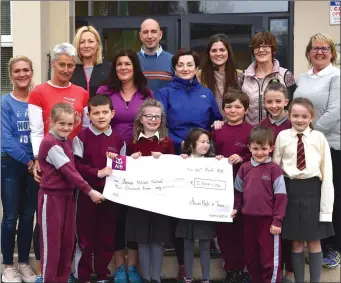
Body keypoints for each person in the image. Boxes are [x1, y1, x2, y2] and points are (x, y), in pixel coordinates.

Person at [28, 43, 89, 283]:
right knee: (47, 229)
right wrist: (36, 161)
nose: (65, 69)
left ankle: (62, 276)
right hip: (49, 165)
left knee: (66, 231)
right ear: (53, 64)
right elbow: (36, 130)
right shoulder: (39, 91)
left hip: (71, 167)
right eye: (61, 64)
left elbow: (82, 130)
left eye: (70, 65)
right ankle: (46, 274)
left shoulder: (82, 92)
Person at [97, 49, 153, 283]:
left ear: (135, 67)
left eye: (127, 64)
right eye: (119, 64)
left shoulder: (146, 93)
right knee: (116, 216)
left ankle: (133, 266)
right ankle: (119, 266)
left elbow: (154, 122)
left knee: (135, 214)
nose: (123, 68)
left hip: (139, 160)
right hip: (112, 159)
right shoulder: (104, 91)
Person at [37, 103, 104, 283]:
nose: (66, 128)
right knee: (51, 247)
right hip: (51, 198)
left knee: (67, 246)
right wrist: (89, 191)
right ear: (52, 122)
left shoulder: (67, 141)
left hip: (68, 197)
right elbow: (69, 170)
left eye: (69, 124)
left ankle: (62, 279)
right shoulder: (50, 143)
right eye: (61, 124)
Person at [273, 98, 335, 283]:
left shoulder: (319, 138)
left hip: (313, 191)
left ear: (311, 117)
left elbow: (327, 171)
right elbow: (276, 166)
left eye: (304, 116)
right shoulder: (283, 137)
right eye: (295, 116)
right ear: (289, 115)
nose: (299, 120)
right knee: (296, 241)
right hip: (290, 190)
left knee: (314, 241)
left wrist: (326, 209)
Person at [293, 33, 340, 268]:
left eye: (324, 48)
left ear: (332, 52)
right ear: (308, 52)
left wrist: (312, 136)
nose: (319, 52)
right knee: (314, 198)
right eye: (315, 48)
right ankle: (316, 243)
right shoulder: (303, 77)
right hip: (306, 147)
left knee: (333, 197)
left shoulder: (336, 75)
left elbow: (334, 112)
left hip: (331, 146)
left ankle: (335, 248)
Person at [72, 95, 126, 283]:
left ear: (112, 113)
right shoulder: (81, 137)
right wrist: (97, 172)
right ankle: (84, 275)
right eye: (96, 113)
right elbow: (75, 167)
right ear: (88, 115)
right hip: (86, 194)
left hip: (110, 197)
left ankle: (102, 274)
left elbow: (123, 169)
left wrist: (116, 163)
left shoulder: (119, 140)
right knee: (85, 238)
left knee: (106, 236)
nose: (101, 116)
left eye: (105, 112)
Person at [125, 98, 175, 283]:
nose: (153, 120)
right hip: (139, 200)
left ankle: (156, 278)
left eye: (157, 117)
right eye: (149, 116)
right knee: (142, 239)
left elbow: (174, 168)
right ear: (141, 119)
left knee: (157, 239)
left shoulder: (166, 143)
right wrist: (133, 158)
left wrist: (165, 158)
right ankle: (146, 277)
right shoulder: (132, 144)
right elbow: (125, 169)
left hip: (159, 199)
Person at [233, 126, 287, 283]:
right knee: (251, 257)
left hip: (268, 222)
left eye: (264, 148)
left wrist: (277, 220)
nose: (259, 152)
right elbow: (238, 192)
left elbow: (281, 197)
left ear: (271, 148)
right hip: (248, 220)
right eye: (255, 148)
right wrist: (236, 208)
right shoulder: (244, 168)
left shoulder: (275, 170)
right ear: (249, 148)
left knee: (269, 259)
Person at [1, 56, 38, 283]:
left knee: (28, 216)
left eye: (26, 70)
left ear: (32, 72)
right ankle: (8, 266)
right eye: (17, 71)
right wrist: (28, 161)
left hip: (35, 166)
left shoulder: (37, 99)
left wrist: (37, 161)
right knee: (10, 216)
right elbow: (5, 139)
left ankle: (23, 263)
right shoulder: (5, 103)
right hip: (12, 164)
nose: (22, 74)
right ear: (11, 75)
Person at [211, 89, 252, 283]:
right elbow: (208, 154)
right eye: (228, 106)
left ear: (245, 109)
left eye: (238, 107)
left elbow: (259, 155)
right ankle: (230, 268)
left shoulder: (252, 130)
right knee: (225, 230)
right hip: (222, 189)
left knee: (244, 229)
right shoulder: (217, 130)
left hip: (245, 188)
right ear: (223, 109)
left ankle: (244, 268)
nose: (233, 110)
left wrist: (243, 158)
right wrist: (216, 158)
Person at [156, 48, 222, 154]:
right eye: (180, 65)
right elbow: (159, 125)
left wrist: (218, 123)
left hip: (202, 153)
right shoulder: (164, 93)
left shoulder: (207, 93)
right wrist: (180, 143)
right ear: (174, 69)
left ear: (196, 68)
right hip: (173, 151)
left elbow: (216, 122)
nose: (185, 69)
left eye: (189, 65)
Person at [259, 81, 293, 283]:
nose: (274, 105)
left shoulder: (293, 122)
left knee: (287, 228)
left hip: (290, 182)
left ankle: (289, 270)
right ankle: (274, 269)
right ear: (264, 102)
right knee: (272, 229)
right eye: (269, 102)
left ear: (286, 102)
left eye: (278, 101)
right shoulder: (262, 126)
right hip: (268, 185)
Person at [176, 128, 219, 283]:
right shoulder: (183, 160)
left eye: (208, 142)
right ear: (191, 144)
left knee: (205, 245)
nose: (206, 145)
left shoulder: (215, 162)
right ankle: (188, 277)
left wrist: (220, 162)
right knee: (187, 244)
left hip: (205, 211)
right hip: (187, 210)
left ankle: (206, 279)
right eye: (202, 142)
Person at [237, 31, 296, 125]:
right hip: (250, 132)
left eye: (265, 46)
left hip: (277, 130)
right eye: (257, 47)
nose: (261, 50)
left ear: (273, 50)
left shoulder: (285, 75)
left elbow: (292, 105)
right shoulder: (243, 77)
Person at [197, 33, 241, 117]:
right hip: (208, 125)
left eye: (222, 50)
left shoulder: (239, 75)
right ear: (209, 54)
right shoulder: (200, 75)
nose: (218, 54)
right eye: (214, 50)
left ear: (228, 52)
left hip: (233, 123)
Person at [71, 25, 111, 98]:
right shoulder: (71, 69)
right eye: (82, 42)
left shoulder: (109, 68)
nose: (86, 45)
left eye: (91, 41)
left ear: (98, 44)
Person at [137, 18, 173, 94]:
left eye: (153, 31)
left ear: (160, 35)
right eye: (145, 32)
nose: (149, 36)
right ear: (140, 36)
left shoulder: (172, 60)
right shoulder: (132, 60)